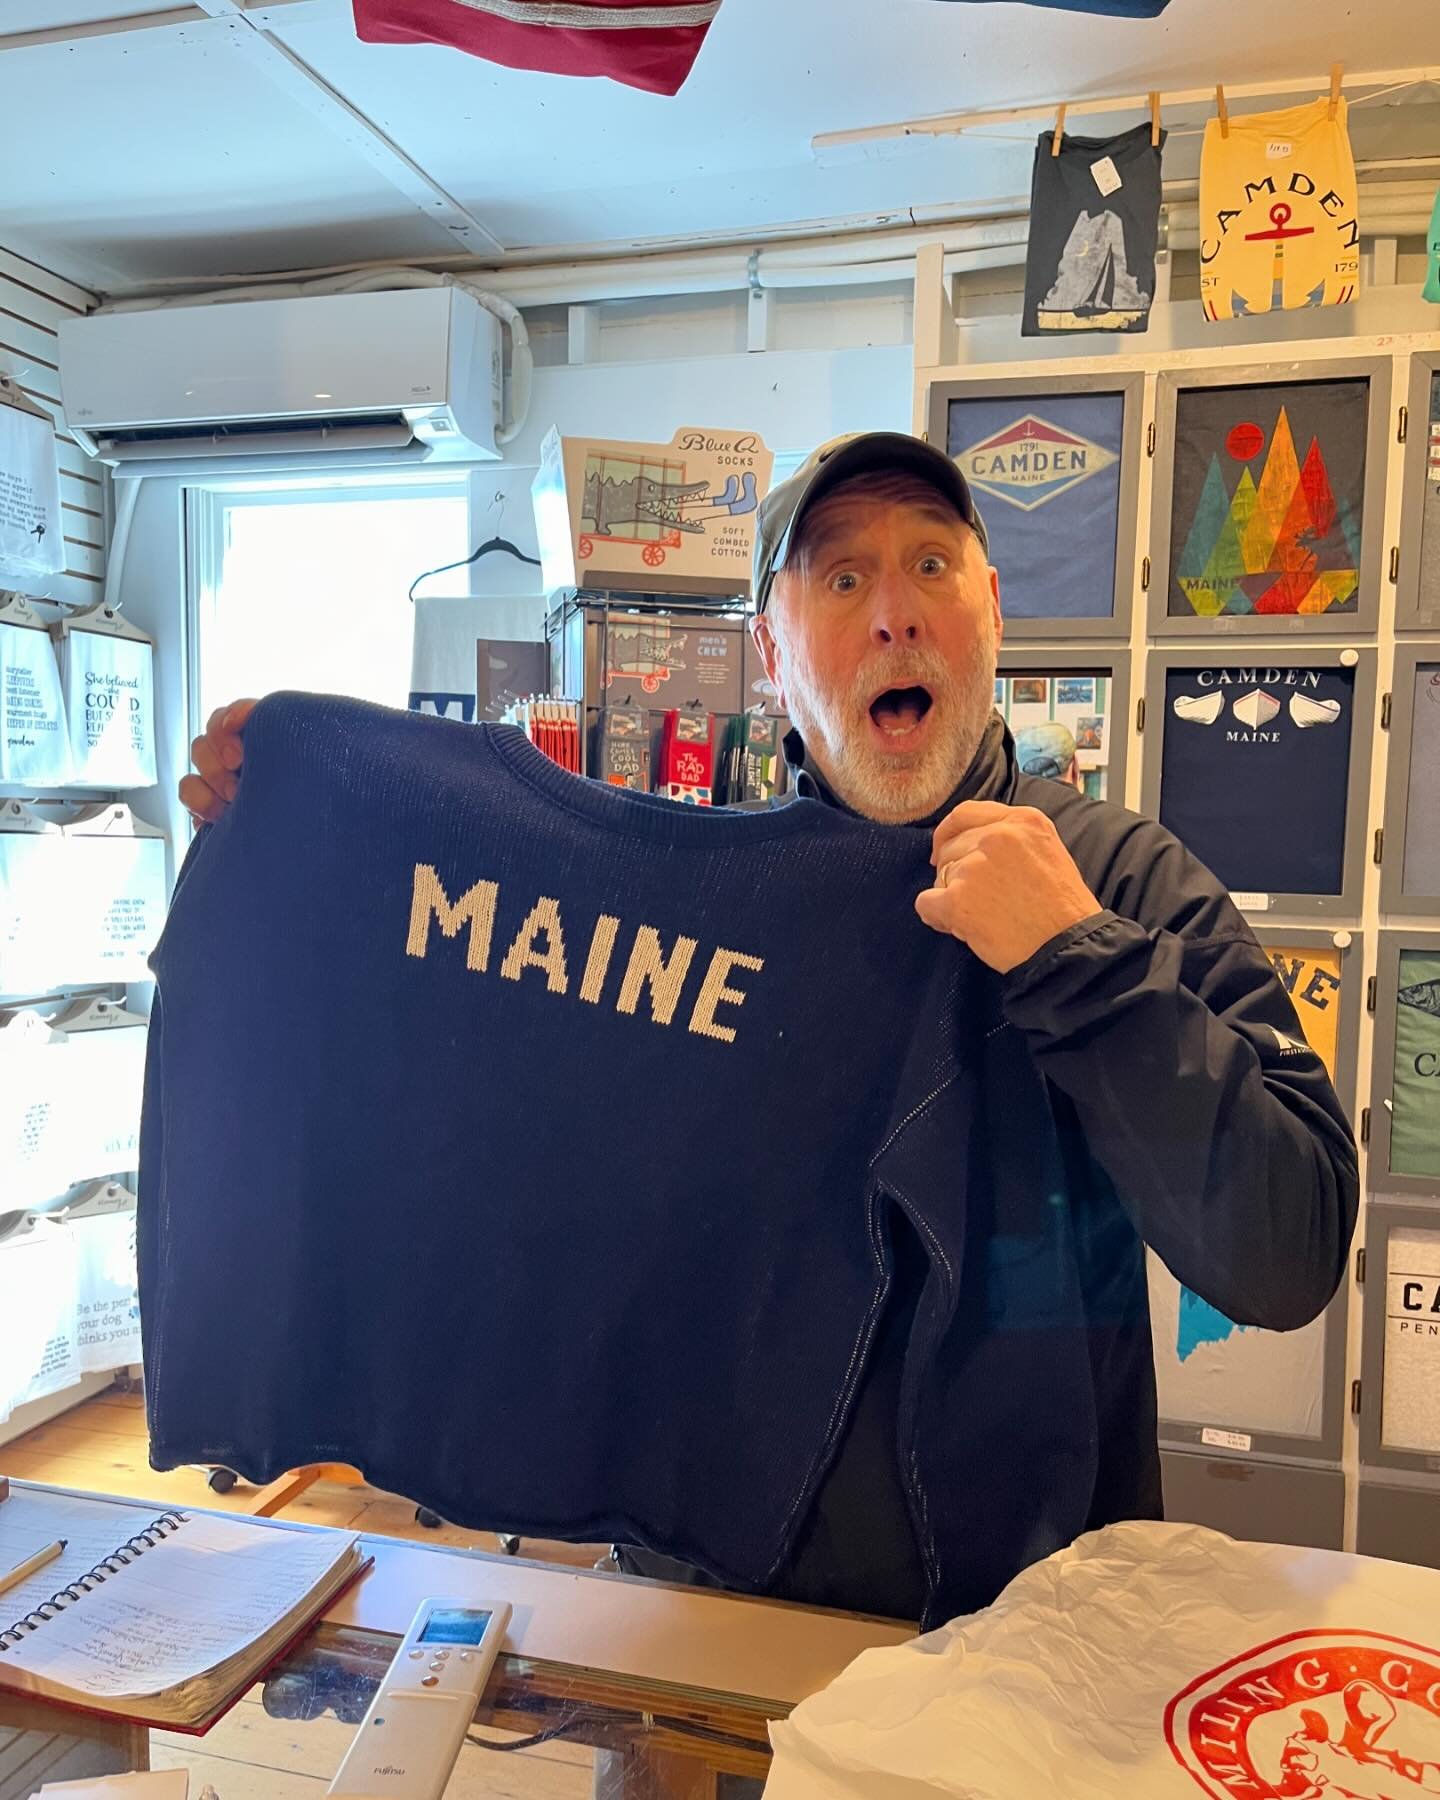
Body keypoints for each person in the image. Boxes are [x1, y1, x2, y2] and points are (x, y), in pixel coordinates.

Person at [181, 431, 1358, 1628]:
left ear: (993, 609)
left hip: (1028, 1642)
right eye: (842, 579)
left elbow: (1288, 1248)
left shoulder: (1120, 882)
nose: (895, 613)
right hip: (715, 1613)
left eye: (933, 566)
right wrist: (293, 839)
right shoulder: (694, 901)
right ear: (771, 648)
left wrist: (1078, 963)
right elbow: (483, 1115)